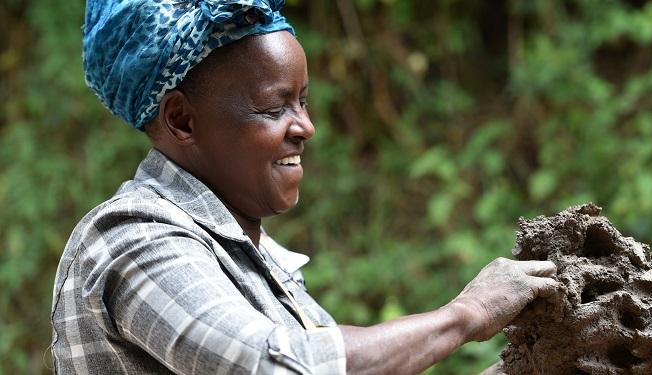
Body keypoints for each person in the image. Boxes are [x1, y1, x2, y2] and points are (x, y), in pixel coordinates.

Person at [51, 1, 559, 374]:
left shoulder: (245, 256)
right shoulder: (133, 239)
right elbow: (276, 367)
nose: (305, 127)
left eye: (303, 102)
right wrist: (466, 315)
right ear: (182, 120)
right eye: (275, 108)